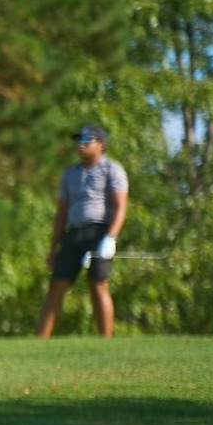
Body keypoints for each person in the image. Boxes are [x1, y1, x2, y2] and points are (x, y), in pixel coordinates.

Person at [36, 124, 127, 338]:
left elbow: (120, 207)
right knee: (56, 286)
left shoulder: (112, 170)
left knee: (98, 285)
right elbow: (61, 213)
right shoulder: (69, 174)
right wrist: (53, 248)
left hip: (99, 234)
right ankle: (39, 340)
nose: (81, 145)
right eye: (79, 141)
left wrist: (111, 238)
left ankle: (106, 340)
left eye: (87, 141)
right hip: (73, 234)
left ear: (101, 144)